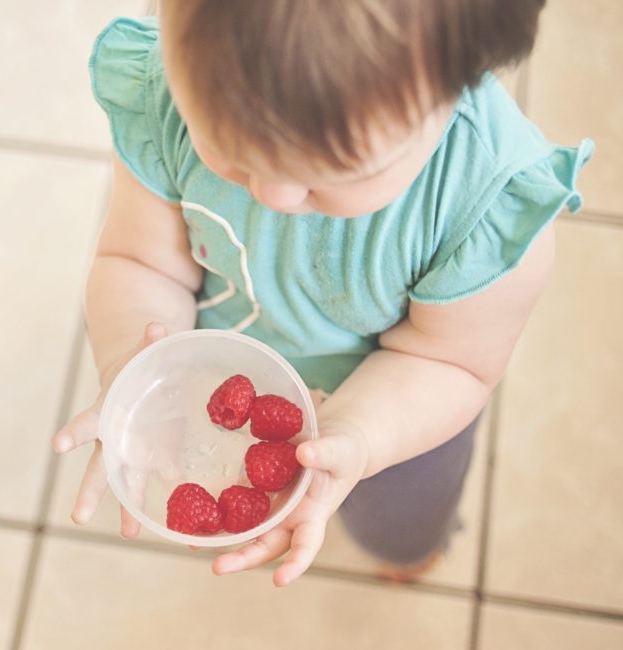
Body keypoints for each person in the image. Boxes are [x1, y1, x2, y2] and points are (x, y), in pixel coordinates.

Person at [52, 0, 593, 587]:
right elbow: (141, 261)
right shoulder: (166, 91)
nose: (274, 195)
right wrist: (134, 365)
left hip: (399, 410)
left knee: (400, 521)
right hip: (231, 359)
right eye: (230, 150)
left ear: (458, 83)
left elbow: (449, 362)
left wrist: (358, 436)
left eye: (338, 173)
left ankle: (409, 552)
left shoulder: (484, 207)